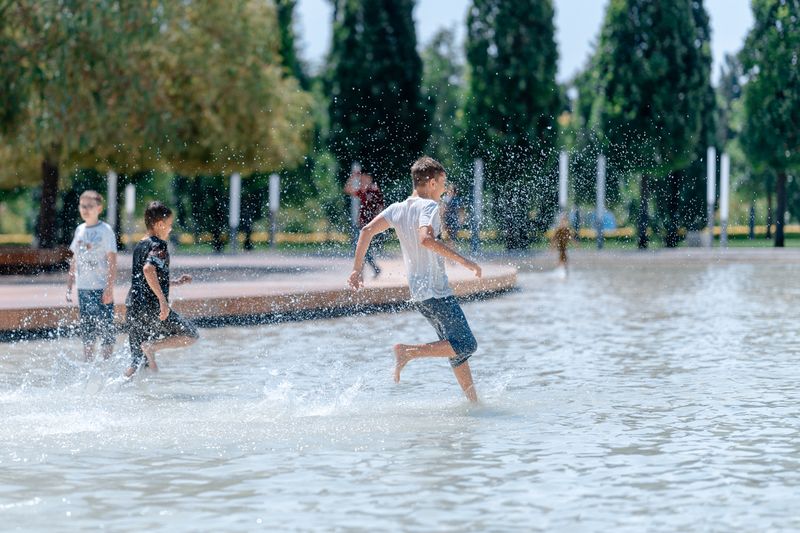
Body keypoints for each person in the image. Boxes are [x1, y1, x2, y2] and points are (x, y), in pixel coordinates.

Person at [348, 156, 482, 402]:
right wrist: (464, 261)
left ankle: (474, 402)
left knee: (454, 348)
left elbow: (366, 231)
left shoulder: (398, 209)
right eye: (442, 182)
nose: (444, 188)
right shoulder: (429, 207)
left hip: (420, 296)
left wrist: (356, 270)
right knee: (466, 344)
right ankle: (407, 352)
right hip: (437, 293)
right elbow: (426, 239)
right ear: (431, 183)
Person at [125, 201, 198, 377]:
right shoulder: (159, 245)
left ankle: (119, 390)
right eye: (169, 225)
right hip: (151, 307)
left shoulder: (140, 245)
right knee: (190, 335)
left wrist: (174, 282)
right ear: (159, 225)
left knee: (137, 362)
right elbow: (148, 270)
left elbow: (145, 279)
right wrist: (163, 302)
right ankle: (152, 347)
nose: (170, 229)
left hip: (133, 307)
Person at [66, 190, 117, 361]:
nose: (85, 209)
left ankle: (106, 363)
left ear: (99, 208)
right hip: (83, 288)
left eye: (90, 206)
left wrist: (109, 287)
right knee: (87, 328)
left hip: (100, 287)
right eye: (82, 206)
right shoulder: (79, 230)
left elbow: (112, 260)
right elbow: (74, 258)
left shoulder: (105, 230)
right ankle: (88, 363)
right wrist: (69, 285)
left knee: (106, 328)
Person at [344, 167, 385, 276]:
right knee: (360, 247)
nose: (361, 181)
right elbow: (347, 190)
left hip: (370, 226)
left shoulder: (374, 190)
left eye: (363, 179)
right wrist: (353, 177)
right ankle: (368, 270)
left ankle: (363, 271)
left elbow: (380, 208)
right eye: (361, 179)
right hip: (361, 225)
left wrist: (377, 223)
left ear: (369, 178)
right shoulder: (363, 191)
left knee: (362, 248)